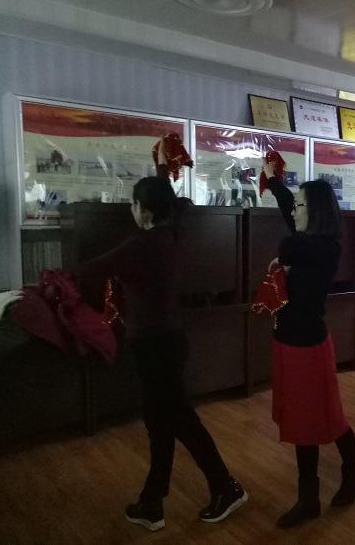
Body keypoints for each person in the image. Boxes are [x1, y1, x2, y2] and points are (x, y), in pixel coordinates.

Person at [81, 139, 247, 532]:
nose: (131, 210)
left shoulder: (142, 244)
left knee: (179, 420)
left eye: (133, 204)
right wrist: (159, 169)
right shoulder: (172, 232)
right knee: (159, 425)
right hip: (166, 342)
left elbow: (91, 269)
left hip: (155, 347)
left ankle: (226, 487)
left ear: (142, 209)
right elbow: (168, 204)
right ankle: (152, 503)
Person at [263, 158, 355, 528]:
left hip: (309, 347)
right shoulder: (308, 242)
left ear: (316, 210)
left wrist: (283, 259)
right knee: (299, 420)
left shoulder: (324, 247)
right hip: (287, 341)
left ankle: (350, 472)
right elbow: (288, 217)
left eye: (300, 205)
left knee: (326, 417)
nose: (293, 211)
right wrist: (274, 181)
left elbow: (288, 245)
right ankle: (311, 495)